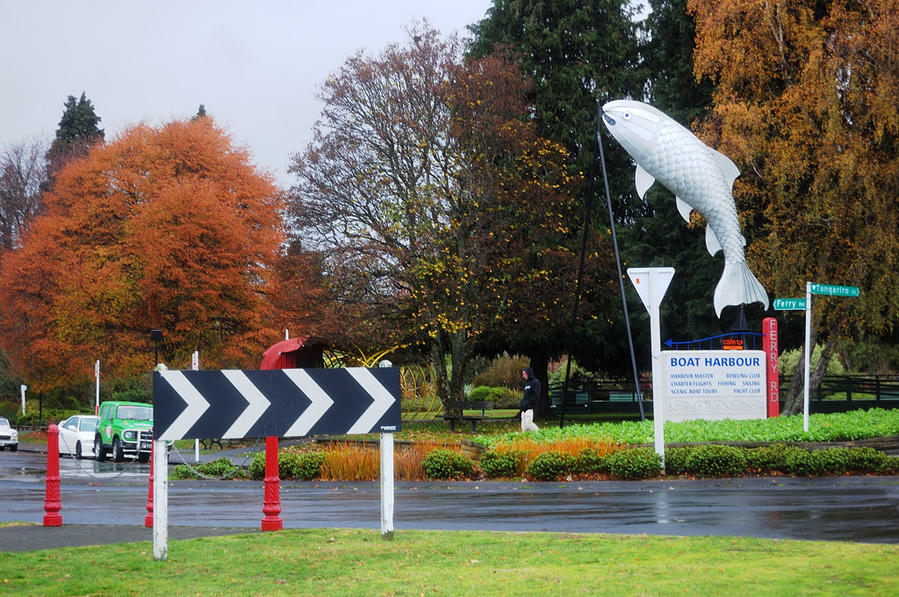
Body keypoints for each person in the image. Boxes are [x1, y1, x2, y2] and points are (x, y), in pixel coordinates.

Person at [519, 367, 540, 432]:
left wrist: (528, 403)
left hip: (530, 408)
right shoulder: (528, 384)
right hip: (524, 409)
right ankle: (526, 441)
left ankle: (540, 433)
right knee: (524, 429)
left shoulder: (536, 382)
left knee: (529, 425)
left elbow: (536, 396)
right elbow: (526, 396)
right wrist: (522, 403)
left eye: (524, 374)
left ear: (528, 373)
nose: (523, 376)